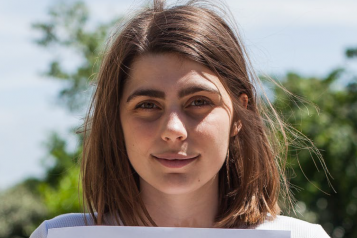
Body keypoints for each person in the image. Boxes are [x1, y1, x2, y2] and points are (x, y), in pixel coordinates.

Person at [30, 0, 330, 237]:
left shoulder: (300, 237)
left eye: (199, 102)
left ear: (240, 114)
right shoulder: (57, 235)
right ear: (116, 121)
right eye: (147, 105)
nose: (173, 130)